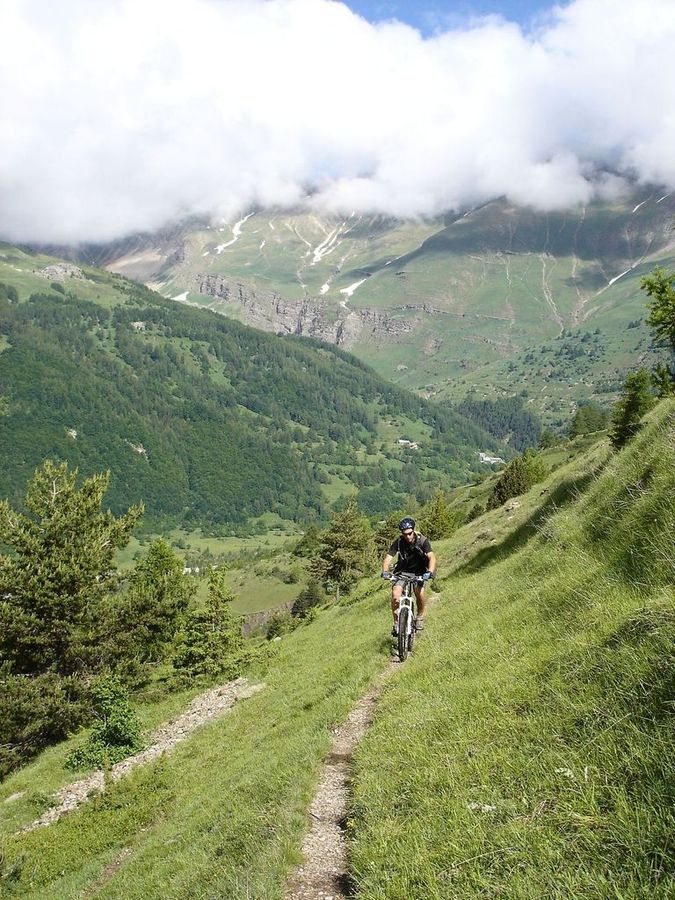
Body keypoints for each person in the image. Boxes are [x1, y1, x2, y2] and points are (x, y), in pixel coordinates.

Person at [381, 517, 436, 636]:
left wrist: (430, 572)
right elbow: (388, 557)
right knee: (396, 595)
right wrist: (385, 571)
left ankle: (420, 617)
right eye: (405, 534)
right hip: (403, 571)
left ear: (413, 531)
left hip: (419, 572)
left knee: (419, 593)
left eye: (410, 533)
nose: (408, 536)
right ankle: (397, 624)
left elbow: (431, 556)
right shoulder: (399, 542)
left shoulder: (422, 540)